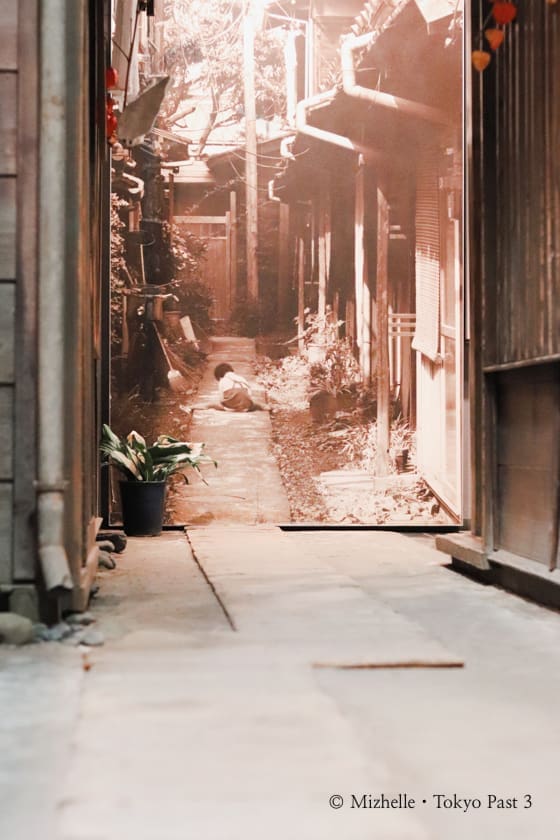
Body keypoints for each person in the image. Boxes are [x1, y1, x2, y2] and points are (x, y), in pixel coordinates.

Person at [191, 363, 267, 412]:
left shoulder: (223, 380)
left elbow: (221, 399)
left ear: (219, 375)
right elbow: (249, 394)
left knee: (211, 405)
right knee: (257, 404)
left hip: (231, 408)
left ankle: (193, 407)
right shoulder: (240, 378)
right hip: (246, 407)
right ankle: (266, 407)